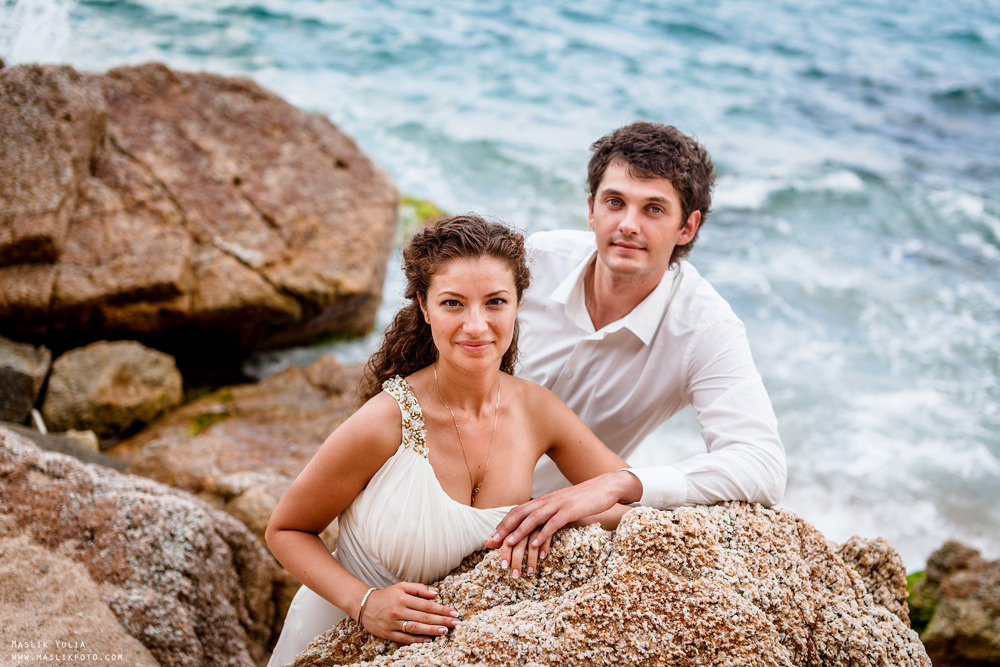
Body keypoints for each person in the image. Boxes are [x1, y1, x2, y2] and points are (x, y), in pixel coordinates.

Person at [265, 215, 629, 665]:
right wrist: (364, 602)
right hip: (335, 635)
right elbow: (286, 529)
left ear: (518, 303)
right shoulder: (387, 419)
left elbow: (632, 497)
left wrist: (563, 509)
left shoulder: (537, 410)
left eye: (495, 302)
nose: (476, 325)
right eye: (453, 303)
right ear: (424, 306)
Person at [486, 121, 787, 569]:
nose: (628, 225)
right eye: (615, 202)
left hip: (539, 526)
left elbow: (761, 463)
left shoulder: (704, 327)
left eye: (653, 209)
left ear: (687, 226)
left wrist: (622, 483)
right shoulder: (534, 263)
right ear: (591, 208)